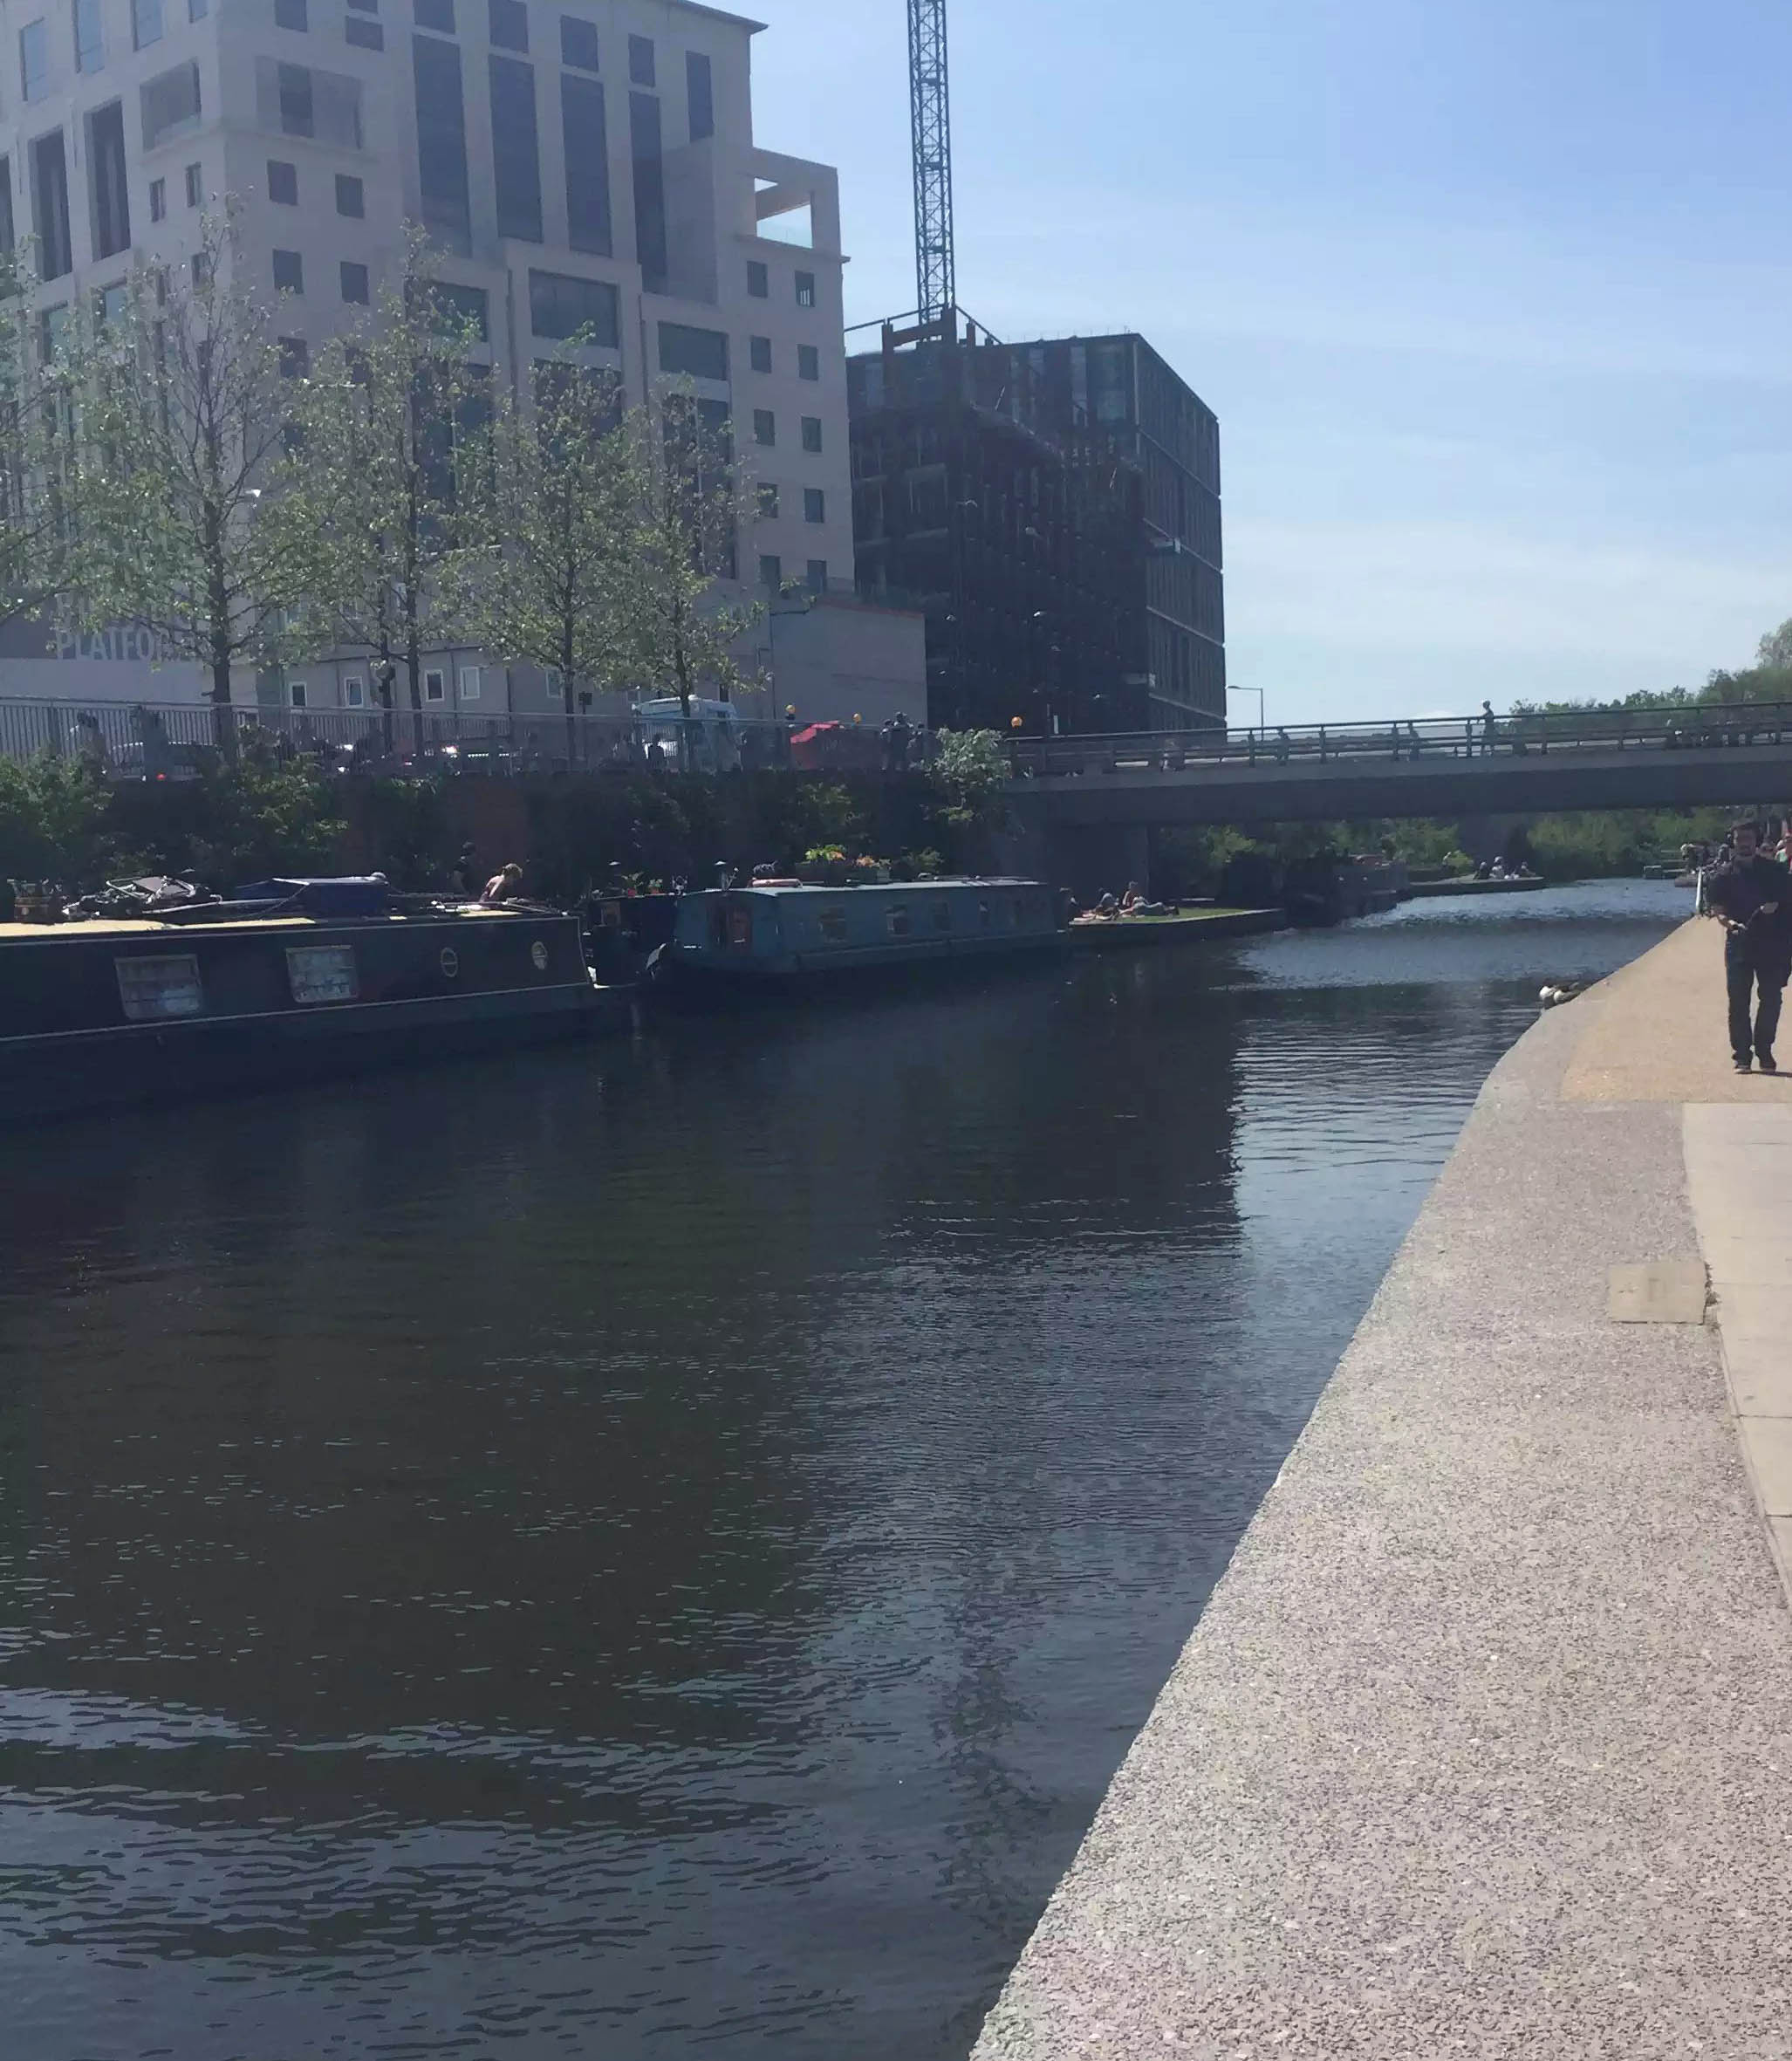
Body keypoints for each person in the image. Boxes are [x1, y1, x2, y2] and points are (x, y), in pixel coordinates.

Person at [1704, 820, 1792, 1073]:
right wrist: (1729, 923)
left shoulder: (1775, 872)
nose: (1743, 843)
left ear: (1756, 841)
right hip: (1738, 944)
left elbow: (1788, 904)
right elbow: (1718, 912)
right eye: (1739, 838)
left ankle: (1764, 1050)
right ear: (1732, 841)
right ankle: (1742, 1055)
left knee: (1771, 999)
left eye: (1748, 838)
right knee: (1739, 1002)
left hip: (1772, 944)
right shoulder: (1723, 876)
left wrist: (1776, 908)